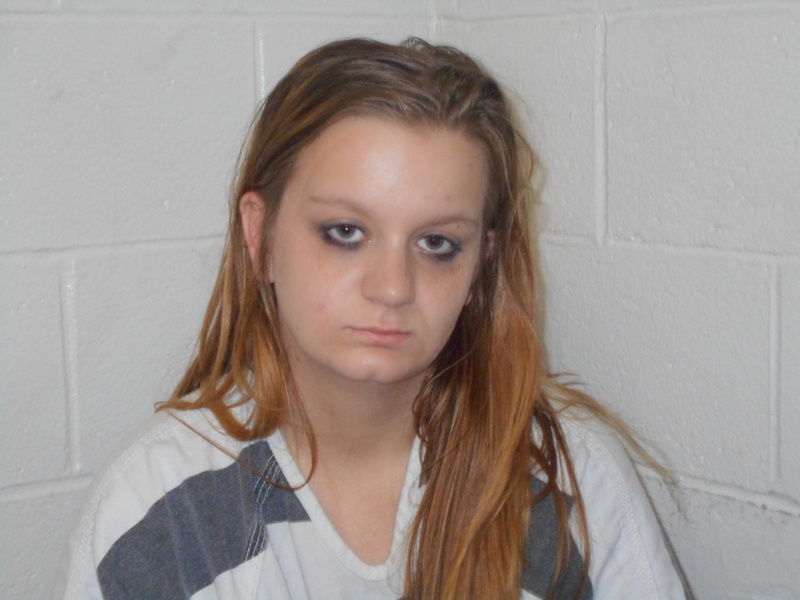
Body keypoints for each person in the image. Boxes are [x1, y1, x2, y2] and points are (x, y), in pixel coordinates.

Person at [56, 37, 686, 600]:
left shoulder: (567, 473)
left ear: (481, 265)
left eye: (437, 243)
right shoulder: (161, 503)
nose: (392, 287)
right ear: (260, 236)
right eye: (345, 231)